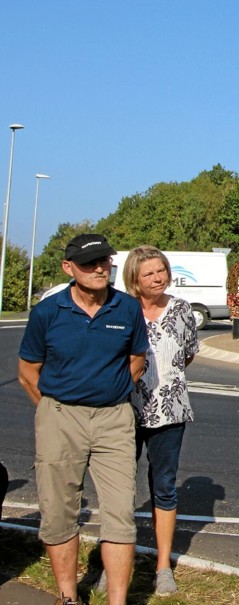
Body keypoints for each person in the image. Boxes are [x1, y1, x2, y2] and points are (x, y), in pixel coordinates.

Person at [18, 234, 148, 605]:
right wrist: (54, 412)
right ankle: (68, 596)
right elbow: (28, 371)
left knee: (121, 512)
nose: (99, 269)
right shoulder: (47, 313)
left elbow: (136, 360)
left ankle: (117, 601)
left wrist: (111, 392)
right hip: (61, 417)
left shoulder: (127, 308)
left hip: (113, 419)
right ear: (68, 268)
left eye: (104, 261)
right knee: (60, 511)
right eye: (89, 263)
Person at [123, 245, 198, 595]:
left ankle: (163, 566)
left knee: (164, 486)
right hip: (123, 408)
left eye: (162, 270)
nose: (159, 277)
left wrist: (165, 381)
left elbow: (187, 356)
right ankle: (115, 562)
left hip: (169, 411)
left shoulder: (182, 310)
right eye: (150, 273)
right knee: (119, 489)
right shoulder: (122, 309)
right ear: (135, 280)